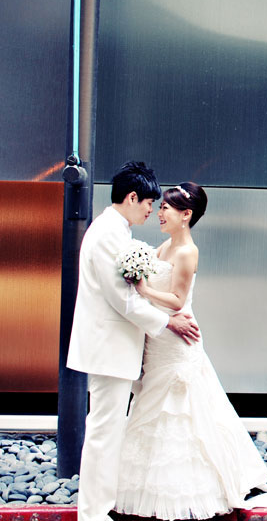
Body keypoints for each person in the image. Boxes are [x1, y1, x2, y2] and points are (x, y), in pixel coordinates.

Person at [114, 182, 267, 520]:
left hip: (177, 341)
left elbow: (177, 300)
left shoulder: (187, 251)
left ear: (186, 215)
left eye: (166, 208)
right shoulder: (164, 246)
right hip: (159, 338)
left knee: (182, 412)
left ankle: (191, 492)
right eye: (160, 207)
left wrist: (143, 289)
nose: (159, 213)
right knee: (154, 406)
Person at [67, 161, 201, 521]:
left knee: (111, 430)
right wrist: (168, 322)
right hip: (109, 348)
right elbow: (122, 299)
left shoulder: (116, 231)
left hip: (115, 347)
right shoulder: (108, 235)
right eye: (148, 203)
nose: (151, 211)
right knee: (104, 432)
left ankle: (101, 508)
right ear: (131, 197)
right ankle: (93, 514)